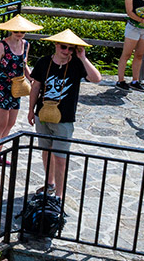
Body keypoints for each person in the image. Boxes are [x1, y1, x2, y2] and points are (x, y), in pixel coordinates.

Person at [28, 29, 102, 199]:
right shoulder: (43, 62)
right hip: (43, 115)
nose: (66, 51)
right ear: (56, 45)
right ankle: (49, 184)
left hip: (65, 119)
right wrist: (31, 111)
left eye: (70, 48)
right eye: (63, 47)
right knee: (46, 151)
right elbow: (36, 87)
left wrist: (83, 57)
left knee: (61, 157)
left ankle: (59, 195)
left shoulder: (76, 64)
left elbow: (96, 78)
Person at [0, 14, 42, 170]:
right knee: (0, 124)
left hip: (16, 89)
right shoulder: (1, 46)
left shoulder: (25, 44)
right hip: (1, 88)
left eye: (22, 30)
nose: (20, 33)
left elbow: (24, 65)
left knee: (10, 124)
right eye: (17, 30)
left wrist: (33, 78)